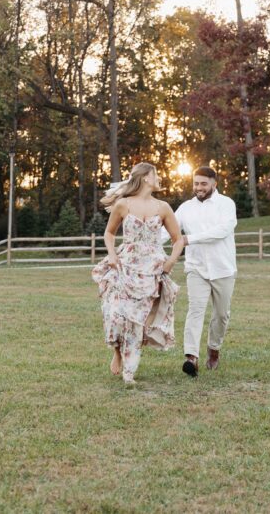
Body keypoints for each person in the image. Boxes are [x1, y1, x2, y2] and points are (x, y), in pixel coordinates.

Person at [91, 162, 186, 385]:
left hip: (151, 268)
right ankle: (116, 350)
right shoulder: (123, 205)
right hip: (125, 265)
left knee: (137, 321)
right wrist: (112, 255)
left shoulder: (163, 207)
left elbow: (178, 239)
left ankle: (129, 371)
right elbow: (109, 233)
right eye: (156, 174)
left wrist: (171, 261)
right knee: (114, 313)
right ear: (145, 177)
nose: (159, 178)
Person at [170, 167, 238, 377]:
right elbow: (169, 230)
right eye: (196, 183)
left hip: (223, 268)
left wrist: (189, 239)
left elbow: (222, 231)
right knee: (195, 310)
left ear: (214, 184)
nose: (198, 188)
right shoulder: (185, 208)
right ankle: (191, 357)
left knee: (221, 315)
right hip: (196, 268)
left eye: (203, 184)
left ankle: (213, 349)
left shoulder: (226, 204)